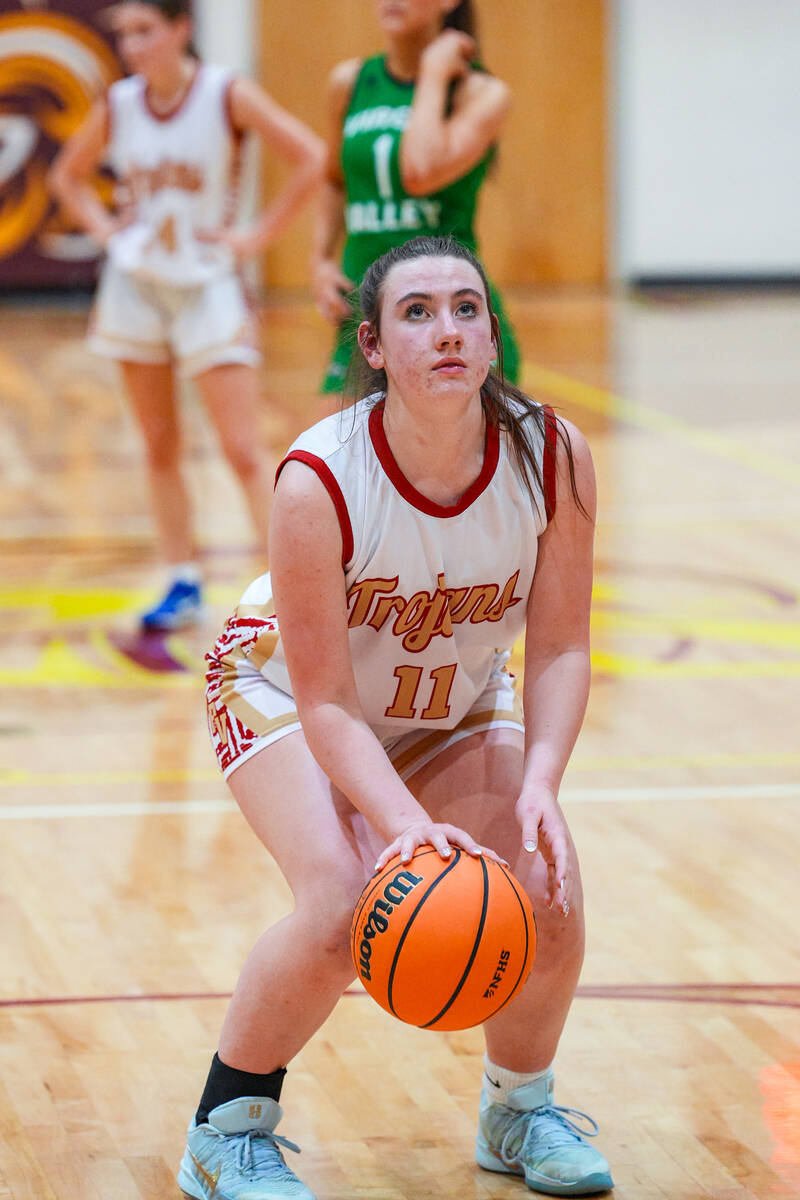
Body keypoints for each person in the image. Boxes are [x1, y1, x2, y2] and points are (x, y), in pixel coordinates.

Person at [179, 235, 613, 1200]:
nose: (447, 330)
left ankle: (519, 1108)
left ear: (493, 335)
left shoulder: (552, 457)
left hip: (450, 693)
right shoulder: (319, 477)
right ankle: (227, 1128)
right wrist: (408, 830)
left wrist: (540, 780)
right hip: (286, 690)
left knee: (547, 884)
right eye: (416, 313)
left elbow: (561, 650)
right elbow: (329, 700)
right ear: (373, 347)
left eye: (467, 308)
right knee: (342, 904)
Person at [49, 0, 325, 631]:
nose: (133, 46)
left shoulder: (225, 93)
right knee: (158, 444)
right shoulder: (119, 103)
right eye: (124, 34)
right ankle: (181, 581)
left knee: (241, 448)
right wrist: (107, 231)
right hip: (137, 286)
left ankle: (283, 593)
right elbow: (67, 177)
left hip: (207, 284)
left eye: (145, 30)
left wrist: (257, 236)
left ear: (181, 29)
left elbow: (309, 156)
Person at [312, 0, 521, 395]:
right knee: (331, 452)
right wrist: (320, 259)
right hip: (366, 309)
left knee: (455, 456)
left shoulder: (483, 93)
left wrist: (432, 72)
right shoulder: (350, 81)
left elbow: (420, 172)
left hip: (448, 318)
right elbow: (333, 179)